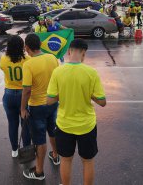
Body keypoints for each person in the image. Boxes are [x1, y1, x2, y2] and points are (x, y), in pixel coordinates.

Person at [47, 39, 106, 185]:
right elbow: (102, 102)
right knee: (88, 161)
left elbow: (49, 100)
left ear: (68, 51)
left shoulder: (58, 72)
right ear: (84, 54)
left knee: (66, 160)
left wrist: (63, 93)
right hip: (87, 125)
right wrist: (89, 94)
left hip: (64, 125)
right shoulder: (91, 73)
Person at [21, 34, 60, 181]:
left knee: (39, 140)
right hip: (52, 102)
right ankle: (56, 156)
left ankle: (38, 172)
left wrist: (23, 109)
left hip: (37, 106)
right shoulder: (52, 58)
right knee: (52, 130)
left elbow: (26, 90)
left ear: (27, 48)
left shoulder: (29, 65)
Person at [0, 35, 31, 158]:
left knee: (12, 124)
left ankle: (14, 150)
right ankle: (27, 149)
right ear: (22, 46)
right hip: (24, 96)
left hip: (9, 94)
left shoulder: (3, 59)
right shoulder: (27, 60)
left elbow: (3, 69)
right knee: (25, 125)